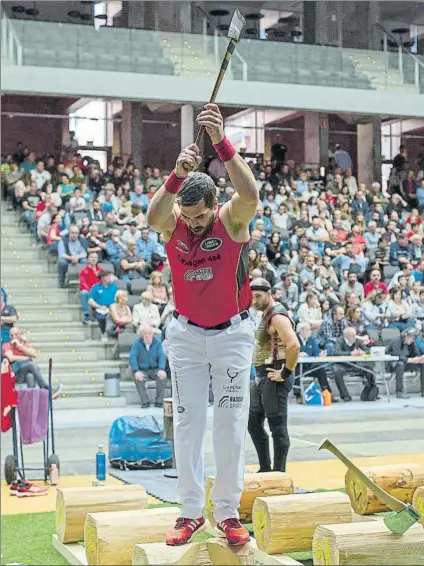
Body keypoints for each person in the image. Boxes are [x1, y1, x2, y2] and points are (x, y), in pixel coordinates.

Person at [147, 103, 258, 546]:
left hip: (232, 335)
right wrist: (175, 174)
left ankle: (228, 513)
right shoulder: (173, 224)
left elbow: (249, 195)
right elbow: (156, 216)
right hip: (187, 336)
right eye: (187, 216)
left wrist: (222, 144)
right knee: (190, 422)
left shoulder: (232, 220)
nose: (190, 224)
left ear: (216, 204)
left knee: (230, 423)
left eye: (199, 216)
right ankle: (190, 512)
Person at [248, 278, 299, 473]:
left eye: (258, 296)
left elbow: (294, 344)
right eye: (252, 297)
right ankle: (265, 469)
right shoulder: (266, 314)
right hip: (262, 374)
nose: (254, 301)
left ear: (269, 294)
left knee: (277, 428)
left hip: (275, 373)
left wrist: (285, 372)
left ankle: (279, 474)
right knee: (252, 422)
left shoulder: (277, 316)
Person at [2, 327, 61, 397]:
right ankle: (46, 389)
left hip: (26, 373)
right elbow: (11, 358)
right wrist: (25, 358)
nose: (14, 337)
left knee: (30, 376)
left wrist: (20, 346)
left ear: (20, 335)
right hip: (15, 374)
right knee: (30, 365)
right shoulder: (6, 345)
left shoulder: (24, 344)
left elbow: (34, 354)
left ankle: (31, 400)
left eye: (16, 334)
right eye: (11, 335)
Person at [129, 325, 168, 408]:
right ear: (142, 335)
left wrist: (161, 369)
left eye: (149, 333)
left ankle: (159, 401)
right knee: (138, 378)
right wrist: (136, 371)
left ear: (152, 334)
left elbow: (162, 356)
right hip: (142, 370)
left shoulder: (157, 343)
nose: (147, 335)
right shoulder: (136, 343)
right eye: (145, 333)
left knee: (163, 376)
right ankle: (145, 402)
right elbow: (132, 357)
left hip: (155, 369)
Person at [332, 327, 375, 402]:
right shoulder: (340, 340)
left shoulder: (357, 341)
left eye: (355, 335)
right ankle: (345, 395)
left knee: (369, 369)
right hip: (342, 364)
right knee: (337, 370)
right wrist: (350, 354)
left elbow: (367, 350)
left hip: (355, 365)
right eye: (353, 335)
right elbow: (336, 352)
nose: (355, 337)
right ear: (347, 336)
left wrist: (363, 352)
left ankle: (368, 392)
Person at [295, 321, 335, 402]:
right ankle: (298, 395)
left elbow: (316, 353)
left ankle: (327, 392)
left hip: (309, 366)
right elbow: (288, 352)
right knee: (297, 369)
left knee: (320, 368)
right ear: (301, 330)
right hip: (297, 366)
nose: (310, 332)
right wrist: (298, 354)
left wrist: (321, 354)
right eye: (308, 330)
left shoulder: (311, 340)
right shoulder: (294, 339)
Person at [386, 328, 424, 398]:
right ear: (406, 336)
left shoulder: (412, 343)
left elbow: (416, 354)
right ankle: (399, 391)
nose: (413, 340)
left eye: (414, 338)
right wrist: (412, 360)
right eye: (412, 338)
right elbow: (397, 356)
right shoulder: (396, 341)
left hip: (406, 362)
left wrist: (420, 358)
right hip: (393, 363)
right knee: (400, 364)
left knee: (422, 364)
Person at [88, 271, 119, 342]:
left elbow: (118, 298)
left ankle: (114, 333)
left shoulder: (114, 287)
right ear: (102, 278)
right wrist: (99, 307)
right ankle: (103, 333)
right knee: (102, 317)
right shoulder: (96, 287)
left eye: (110, 276)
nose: (110, 278)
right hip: (100, 308)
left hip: (113, 308)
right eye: (108, 276)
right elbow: (90, 301)